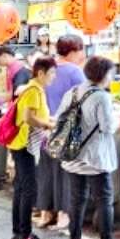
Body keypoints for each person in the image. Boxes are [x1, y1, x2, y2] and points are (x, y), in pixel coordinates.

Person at [61, 56, 120, 239]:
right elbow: (107, 127)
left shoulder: (72, 92)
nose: (111, 77)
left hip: (73, 155)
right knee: (104, 200)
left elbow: (60, 118)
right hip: (95, 159)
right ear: (103, 75)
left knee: (76, 200)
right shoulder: (101, 97)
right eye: (110, 73)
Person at [9, 56, 57, 239]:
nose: (53, 77)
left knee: (21, 189)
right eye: (51, 73)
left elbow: (34, 115)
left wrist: (49, 120)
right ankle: (25, 236)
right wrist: (48, 125)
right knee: (28, 190)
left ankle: (19, 233)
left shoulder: (33, 89)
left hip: (22, 145)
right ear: (41, 73)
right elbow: (29, 117)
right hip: (25, 146)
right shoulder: (34, 90)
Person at [38, 35, 87, 228]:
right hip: (66, 128)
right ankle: (64, 214)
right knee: (66, 172)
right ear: (73, 51)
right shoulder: (75, 72)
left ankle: (45, 213)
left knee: (47, 171)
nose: (82, 54)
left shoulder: (47, 69)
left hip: (45, 127)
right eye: (81, 50)